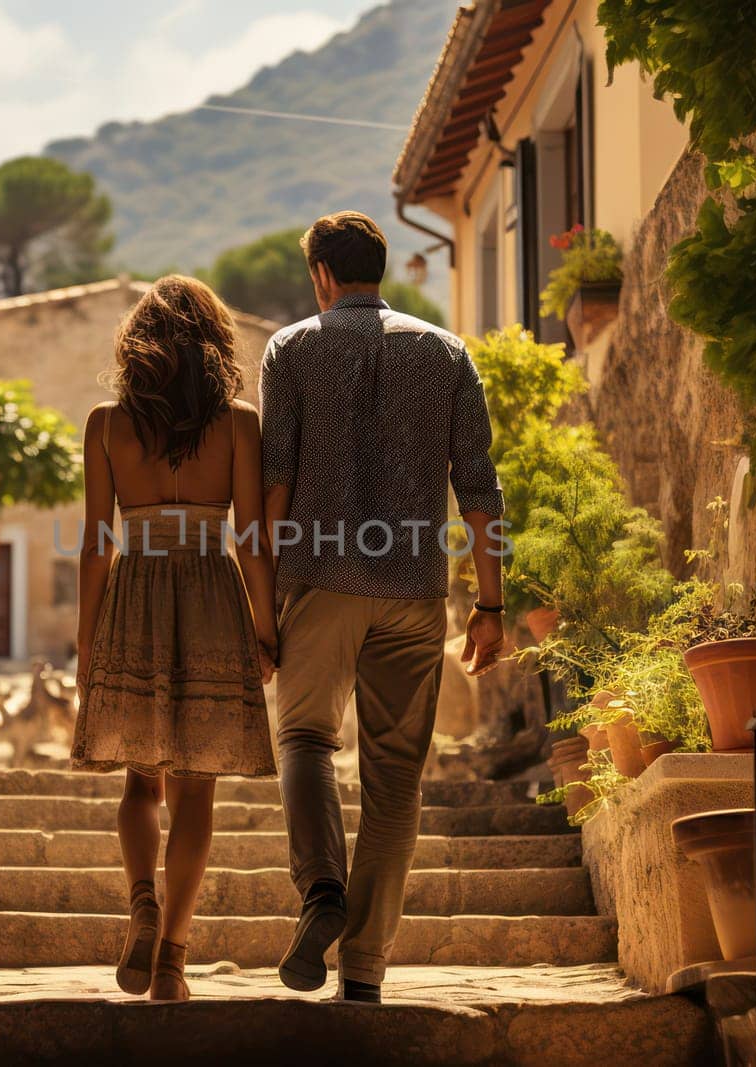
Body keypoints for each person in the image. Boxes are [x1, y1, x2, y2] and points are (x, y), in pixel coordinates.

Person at [261, 211, 507, 1003]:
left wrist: (262, 601)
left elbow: (274, 484)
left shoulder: (290, 349)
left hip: (318, 578)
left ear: (323, 277)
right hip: (412, 589)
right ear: (379, 268)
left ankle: (322, 890)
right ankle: (363, 971)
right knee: (395, 778)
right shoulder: (446, 352)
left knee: (303, 735)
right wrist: (492, 604)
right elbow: (479, 489)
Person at [70, 275, 279, 1002]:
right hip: (211, 593)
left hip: (135, 590)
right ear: (214, 343)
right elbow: (252, 538)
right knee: (197, 790)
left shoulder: (106, 423)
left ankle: (140, 900)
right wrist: (265, 629)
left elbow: (98, 543)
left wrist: (86, 642)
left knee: (138, 777)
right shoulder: (240, 423)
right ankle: (171, 963)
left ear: (140, 344)